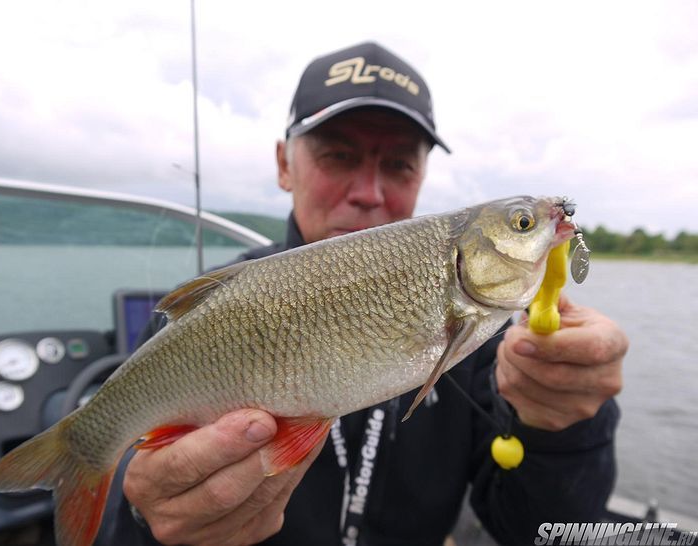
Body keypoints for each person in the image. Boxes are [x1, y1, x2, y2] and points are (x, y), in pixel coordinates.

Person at [96, 42, 626, 546]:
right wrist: (151, 521)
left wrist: (565, 425)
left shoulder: (487, 345)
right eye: (339, 156)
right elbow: (125, 504)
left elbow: (538, 531)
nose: (368, 193)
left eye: (398, 164)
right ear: (284, 164)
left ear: (422, 176)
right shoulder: (203, 319)